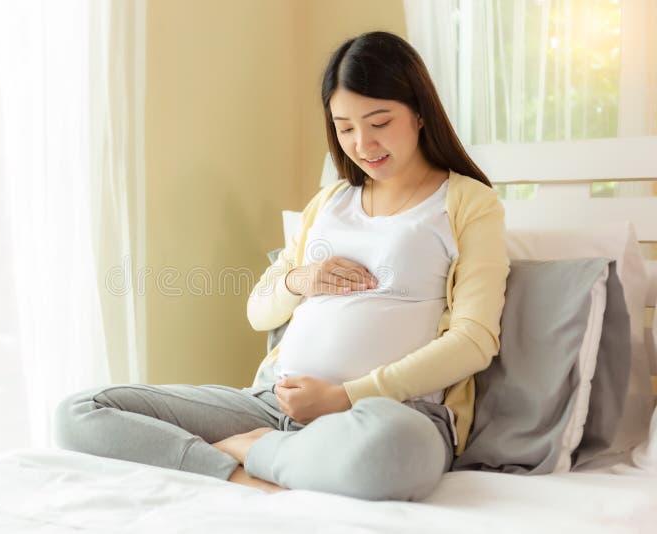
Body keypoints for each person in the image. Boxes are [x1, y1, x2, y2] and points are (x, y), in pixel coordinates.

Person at [53, 31, 509, 502]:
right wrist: (301, 279)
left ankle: (258, 452)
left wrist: (345, 397)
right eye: (345, 127)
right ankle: (238, 470)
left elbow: (474, 341)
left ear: (418, 112)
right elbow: (259, 312)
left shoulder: (467, 203)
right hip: (275, 403)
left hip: (390, 413)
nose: (363, 143)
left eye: (379, 122)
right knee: (80, 411)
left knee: (393, 455)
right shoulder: (330, 202)